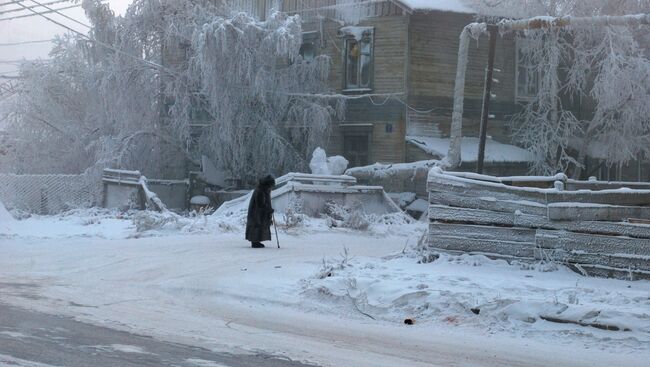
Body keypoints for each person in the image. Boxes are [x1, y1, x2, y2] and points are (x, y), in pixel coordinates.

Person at [245, 175, 275, 248]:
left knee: (258, 226)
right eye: (270, 185)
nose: (271, 187)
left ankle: (256, 241)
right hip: (256, 213)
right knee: (256, 225)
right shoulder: (260, 191)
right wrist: (269, 209)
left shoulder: (264, 190)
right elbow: (260, 204)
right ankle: (255, 242)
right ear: (267, 185)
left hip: (258, 213)